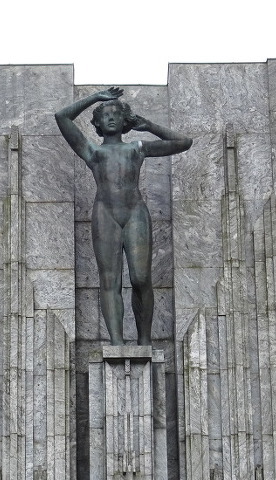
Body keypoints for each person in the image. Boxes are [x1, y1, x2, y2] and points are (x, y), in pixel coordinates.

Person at [55, 88, 193, 345]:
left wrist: (148, 125)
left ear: (124, 120)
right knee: (110, 280)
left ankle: (144, 340)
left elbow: (184, 142)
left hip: (135, 213)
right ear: (97, 123)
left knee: (141, 278)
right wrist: (97, 97)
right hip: (105, 215)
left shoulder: (136, 148)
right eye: (105, 114)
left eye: (116, 114)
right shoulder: (92, 151)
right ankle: (117, 344)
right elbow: (62, 117)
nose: (111, 117)